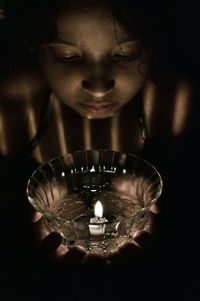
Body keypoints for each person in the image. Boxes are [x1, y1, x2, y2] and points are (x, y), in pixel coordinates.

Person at [0, 0, 197, 298]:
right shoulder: (15, 108)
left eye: (125, 53)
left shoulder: (169, 103)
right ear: (34, 46)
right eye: (67, 56)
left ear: (154, 47)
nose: (99, 87)